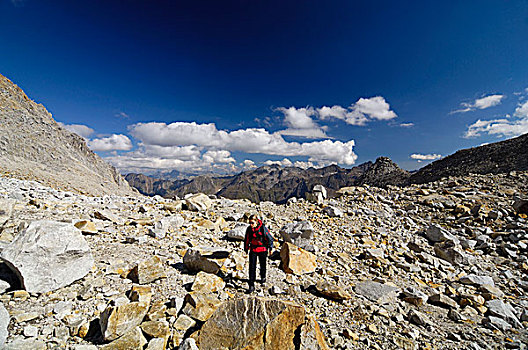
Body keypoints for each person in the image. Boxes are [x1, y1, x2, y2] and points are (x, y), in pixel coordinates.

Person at [243, 214, 273, 293]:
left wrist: (270, 248)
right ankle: (251, 285)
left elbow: (270, 238)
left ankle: (263, 277)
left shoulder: (263, 228)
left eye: (252, 223)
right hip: (253, 249)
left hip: (262, 249)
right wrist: (246, 249)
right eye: (250, 223)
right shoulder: (249, 229)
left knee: (263, 265)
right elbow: (247, 239)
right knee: (252, 267)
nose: (251, 225)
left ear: (256, 222)